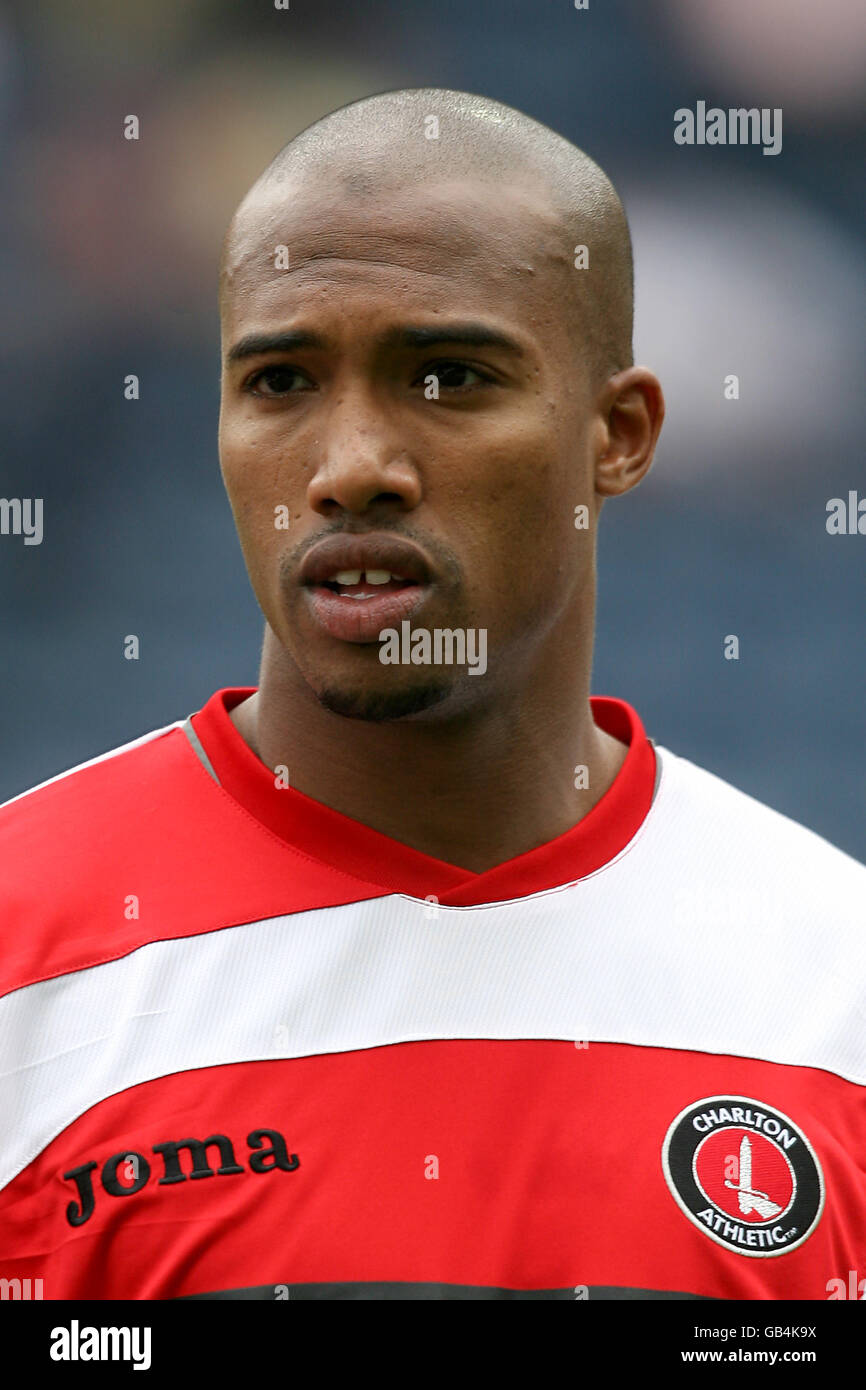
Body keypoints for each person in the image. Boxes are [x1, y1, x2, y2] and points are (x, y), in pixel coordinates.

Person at [1, 88, 863, 1301]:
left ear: (616, 437)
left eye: (449, 377)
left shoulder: (836, 981)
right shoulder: (17, 951)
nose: (352, 467)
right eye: (282, 382)